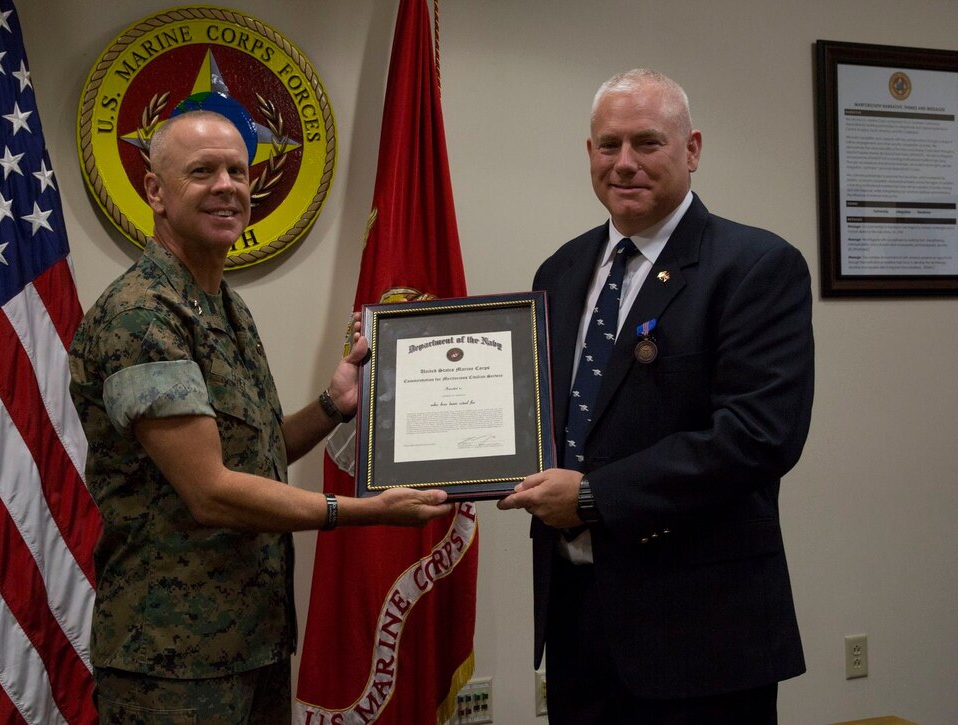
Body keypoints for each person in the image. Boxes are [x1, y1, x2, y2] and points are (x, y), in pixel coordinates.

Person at [69, 108, 452, 723]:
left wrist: (333, 406)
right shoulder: (140, 316)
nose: (227, 186)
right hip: (173, 662)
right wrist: (365, 514)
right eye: (202, 172)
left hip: (255, 641)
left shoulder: (228, 308)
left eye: (237, 171)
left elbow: (257, 451)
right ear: (154, 191)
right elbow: (212, 491)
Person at [498, 69, 814, 723]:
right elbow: (538, 418)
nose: (625, 163)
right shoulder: (558, 271)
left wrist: (591, 496)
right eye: (608, 145)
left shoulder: (755, 266)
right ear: (589, 153)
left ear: (692, 148)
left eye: (647, 142)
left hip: (703, 633)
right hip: (578, 616)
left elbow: (757, 436)